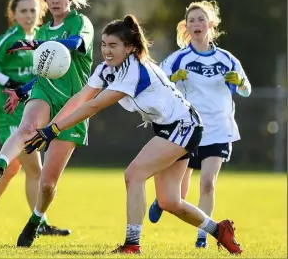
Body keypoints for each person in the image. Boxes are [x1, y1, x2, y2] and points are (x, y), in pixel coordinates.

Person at [23, 14, 243, 254]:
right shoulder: (106, 68)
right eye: (104, 44)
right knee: (170, 201)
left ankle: (132, 244)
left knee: (133, 175)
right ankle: (218, 229)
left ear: (129, 48)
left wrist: (53, 129)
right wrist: (49, 129)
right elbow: (81, 98)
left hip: (184, 126)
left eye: (113, 45)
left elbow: (94, 106)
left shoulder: (133, 69)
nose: (107, 50)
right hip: (173, 127)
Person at [0, 0, 94, 246]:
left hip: (73, 103)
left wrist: (36, 42)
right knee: (26, 128)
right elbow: (44, 71)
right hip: (44, 92)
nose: (54, 0)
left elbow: (76, 45)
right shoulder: (43, 30)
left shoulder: (81, 23)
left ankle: (35, 221)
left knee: (46, 183)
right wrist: (21, 90)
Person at [0, 0, 70, 236]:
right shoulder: (9, 39)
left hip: (31, 115)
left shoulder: (41, 40)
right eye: (23, 10)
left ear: (40, 11)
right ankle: (41, 224)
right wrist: (8, 83)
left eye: (33, 10)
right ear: (13, 14)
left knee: (13, 169)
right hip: (12, 116)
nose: (28, 15)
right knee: (34, 170)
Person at [148, 0, 251, 248]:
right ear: (186, 26)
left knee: (208, 183)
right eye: (191, 20)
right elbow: (158, 87)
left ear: (211, 24)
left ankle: (202, 238)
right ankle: (161, 200)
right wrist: (173, 79)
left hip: (219, 129)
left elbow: (246, 89)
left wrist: (239, 82)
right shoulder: (178, 59)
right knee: (179, 195)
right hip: (189, 130)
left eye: (201, 19)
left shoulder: (227, 58)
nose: (196, 24)